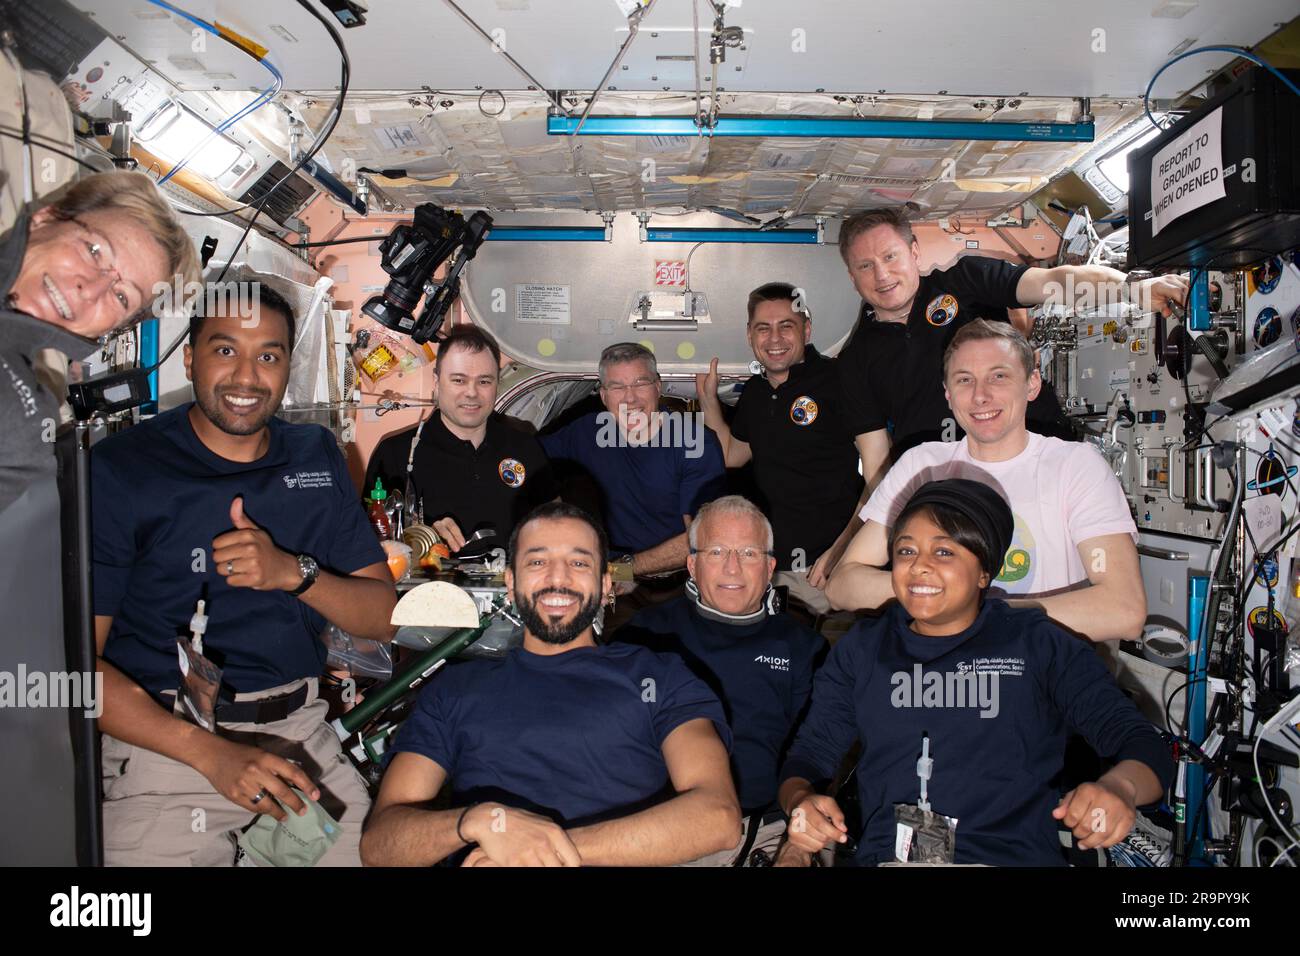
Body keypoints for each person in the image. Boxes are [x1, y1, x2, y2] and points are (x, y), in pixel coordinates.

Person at [92, 281, 396, 866]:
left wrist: (294, 574)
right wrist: (209, 754)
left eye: (269, 356)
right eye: (225, 350)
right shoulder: (122, 470)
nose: (247, 378)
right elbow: (75, 669)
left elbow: (383, 618)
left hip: (299, 741)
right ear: (189, 355)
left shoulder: (315, 454)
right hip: (170, 752)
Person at [780, 478, 1173, 866]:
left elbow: (1142, 745)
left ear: (985, 571)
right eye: (905, 551)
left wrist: (1119, 788)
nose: (919, 567)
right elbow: (810, 758)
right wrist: (801, 801)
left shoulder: (1037, 645)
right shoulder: (863, 649)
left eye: (945, 553)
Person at [361, 500, 741, 866]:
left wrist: (532, 851)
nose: (558, 578)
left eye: (578, 562)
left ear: (606, 584)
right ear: (510, 583)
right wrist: (476, 822)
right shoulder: (455, 689)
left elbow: (717, 817)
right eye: (538, 561)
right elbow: (380, 845)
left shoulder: (660, 677)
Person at [827, 320, 1144, 643]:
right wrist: (947, 597)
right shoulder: (922, 465)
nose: (981, 396)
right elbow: (842, 585)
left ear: (1032, 384)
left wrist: (972, 612)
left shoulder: (1075, 466)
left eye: (999, 376)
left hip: (1039, 672)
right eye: (965, 380)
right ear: (948, 394)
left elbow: (1123, 610)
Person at [835, 206, 1188, 459]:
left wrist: (1132, 289)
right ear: (851, 277)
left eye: (890, 256)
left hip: (1038, 457)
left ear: (913, 252)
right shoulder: (855, 359)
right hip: (948, 495)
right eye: (866, 265)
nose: (882, 274)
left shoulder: (965, 281)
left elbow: (1054, 283)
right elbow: (877, 462)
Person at [613, 495, 825, 866]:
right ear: (692, 564)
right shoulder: (643, 638)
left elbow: (818, 755)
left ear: (770, 566)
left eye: (748, 554)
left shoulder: (806, 649)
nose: (732, 568)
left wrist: (799, 840)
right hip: (657, 829)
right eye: (716, 553)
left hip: (770, 829)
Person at [0, 170, 200, 512]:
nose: (90, 289)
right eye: (94, 251)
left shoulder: (22, 423)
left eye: (122, 297)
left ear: (103, 334)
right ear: (44, 218)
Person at [697, 282, 888, 616]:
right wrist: (709, 401)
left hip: (829, 569)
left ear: (807, 329)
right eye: (763, 328)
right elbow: (732, 454)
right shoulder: (755, 392)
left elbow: (882, 476)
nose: (774, 339)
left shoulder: (839, 379)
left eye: (786, 326)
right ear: (749, 335)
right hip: (774, 569)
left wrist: (843, 552)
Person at [541, 342, 726, 623]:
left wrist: (623, 569)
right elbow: (522, 458)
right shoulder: (587, 432)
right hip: (618, 588)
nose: (631, 399)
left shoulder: (695, 442)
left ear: (658, 387)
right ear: (603, 396)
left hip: (683, 583)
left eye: (641, 383)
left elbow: (700, 539)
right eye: (617, 387)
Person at [363, 324, 558, 556]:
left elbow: (558, 528)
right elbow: (368, 546)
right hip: (427, 590)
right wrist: (421, 539)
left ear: (497, 383)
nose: (472, 393)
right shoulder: (395, 454)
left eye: (484, 381)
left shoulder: (525, 448)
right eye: (459, 380)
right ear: (437, 382)